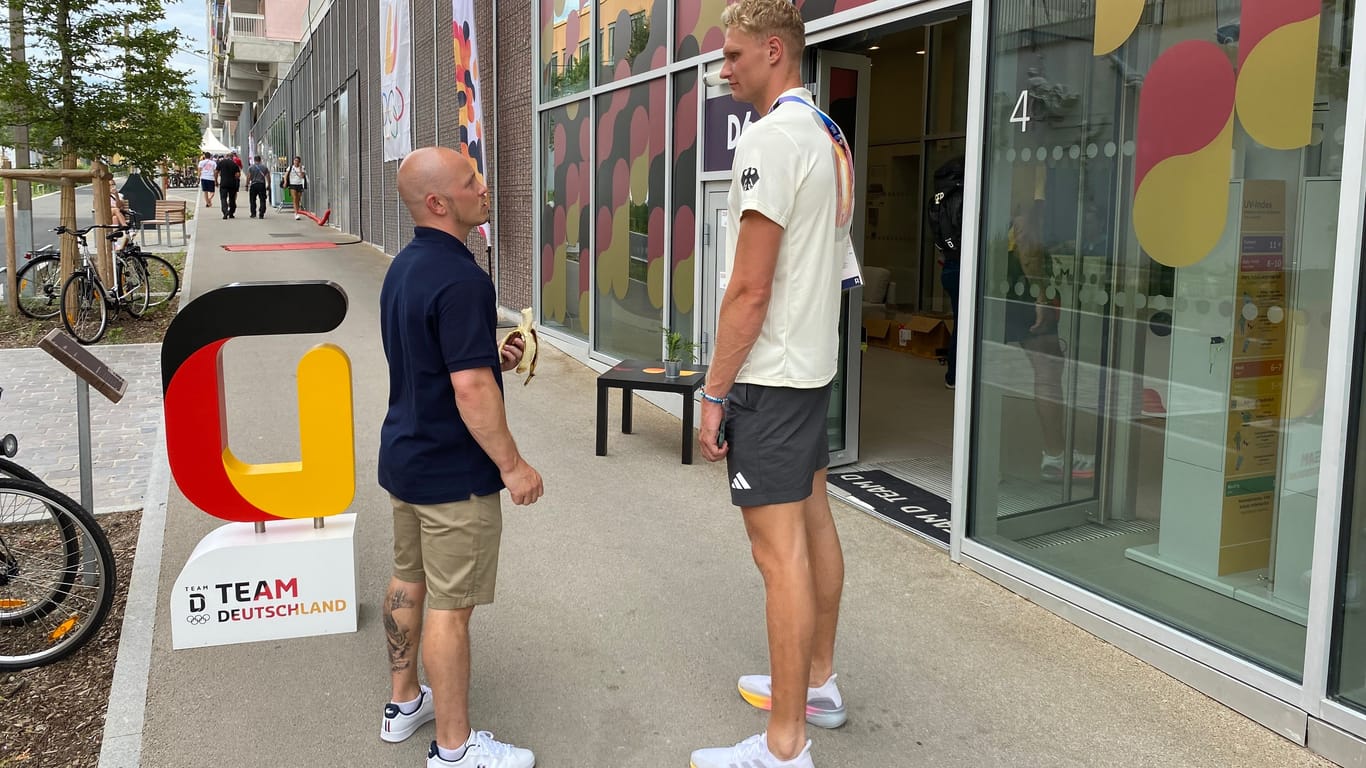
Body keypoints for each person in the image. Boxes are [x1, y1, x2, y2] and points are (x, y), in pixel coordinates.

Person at [694, 2, 851, 766]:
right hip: (809, 366)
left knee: (777, 554)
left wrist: (715, 391)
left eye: (732, 55)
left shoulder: (772, 139)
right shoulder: (828, 137)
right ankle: (816, 684)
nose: (724, 71)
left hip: (772, 376)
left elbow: (749, 289)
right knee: (813, 524)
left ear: (774, 51)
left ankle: (784, 747)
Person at [378, 146, 542, 768]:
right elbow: (468, 389)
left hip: (407, 459)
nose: (485, 184)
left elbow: (434, 358)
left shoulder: (406, 268)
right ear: (440, 203)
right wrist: (513, 466)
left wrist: (488, 355)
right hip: (454, 476)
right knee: (452, 609)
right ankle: (454, 750)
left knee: (408, 580)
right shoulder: (464, 279)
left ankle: (403, 705)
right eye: (472, 178)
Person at [928, 155, 965, 389]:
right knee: (967, 325)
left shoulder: (939, 199)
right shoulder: (962, 197)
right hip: (964, 267)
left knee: (960, 322)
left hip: (949, 266)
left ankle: (954, 376)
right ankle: (955, 376)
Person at [215, 152, 242, 219]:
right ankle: (231, 213)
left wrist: (216, 181)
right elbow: (238, 175)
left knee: (223, 198)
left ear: (226, 157)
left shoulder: (221, 163)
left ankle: (225, 211)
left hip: (223, 183)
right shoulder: (234, 164)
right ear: (232, 157)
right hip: (232, 184)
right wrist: (235, 178)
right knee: (232, 199)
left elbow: (216, 172)